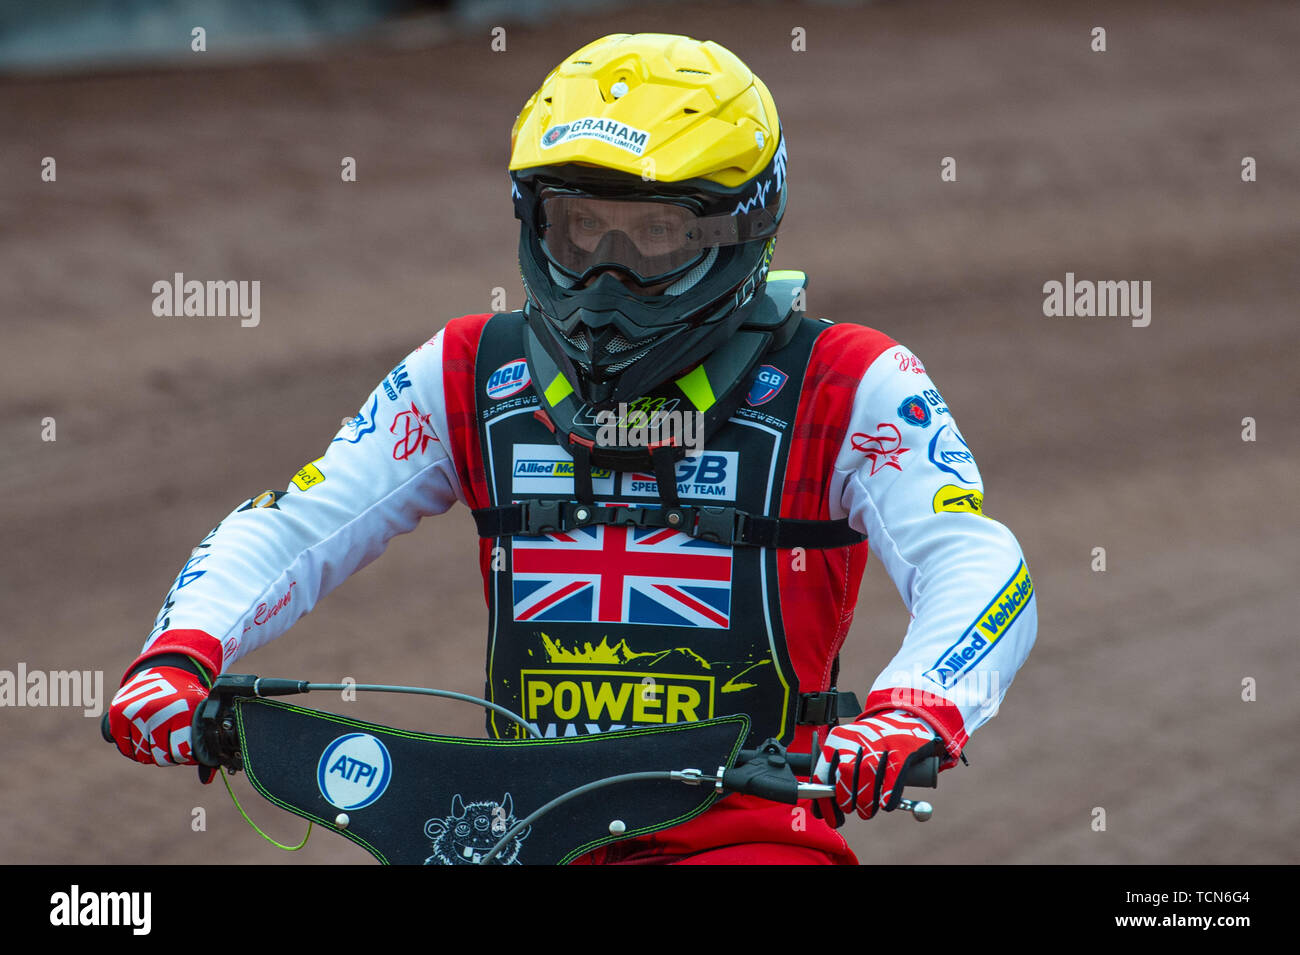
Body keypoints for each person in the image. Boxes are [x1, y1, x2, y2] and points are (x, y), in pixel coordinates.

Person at [109, 32, 1037, 865]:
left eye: (656, 237)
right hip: (507, 831)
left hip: (749, 834)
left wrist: (915, 704)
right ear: (533, 223)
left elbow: (976, 558)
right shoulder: (469, 370)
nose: (606, 277)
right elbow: (297, 523)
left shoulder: (851, 381)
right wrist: (179, 654)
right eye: (581, 228)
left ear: (741, 226)